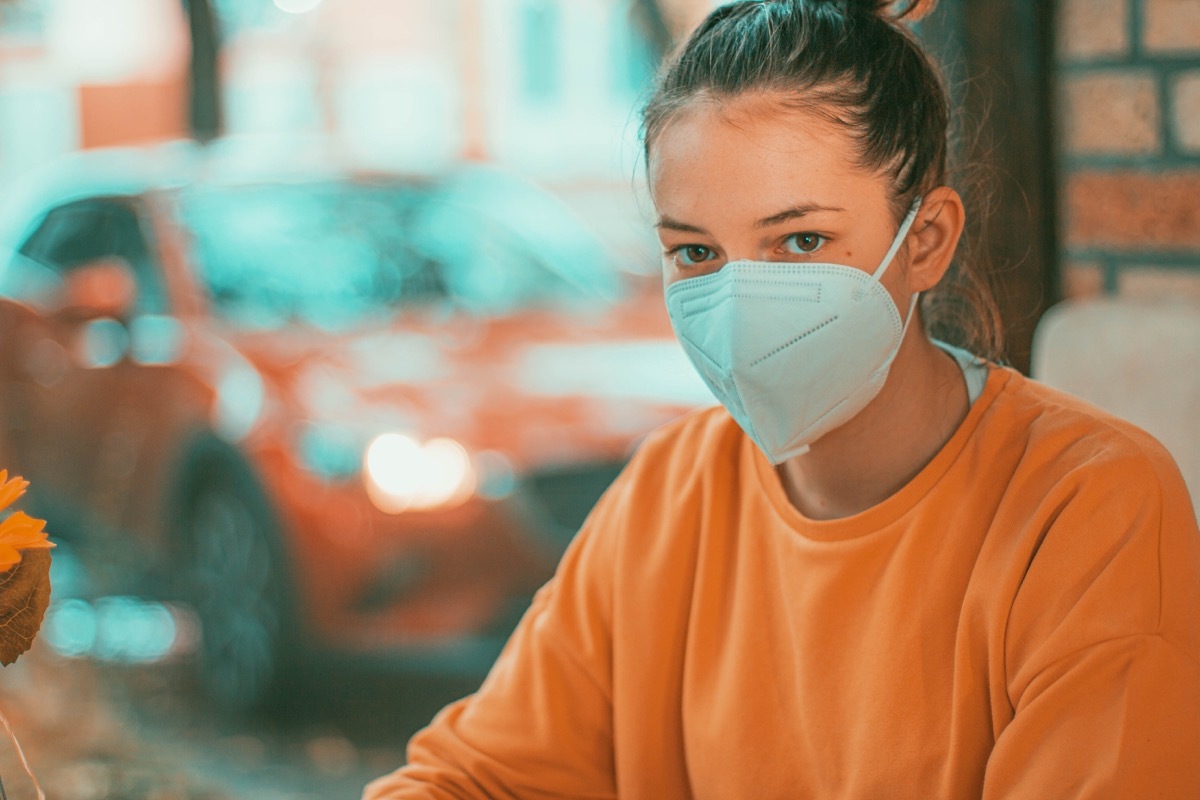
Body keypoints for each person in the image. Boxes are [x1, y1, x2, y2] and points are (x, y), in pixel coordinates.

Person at [364, 0, 1200, 796]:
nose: (739, 302)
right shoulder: (670, 491)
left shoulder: (1087, 506)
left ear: (926, 241)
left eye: (801, 240)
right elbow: (476, 778)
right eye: (695, 253)